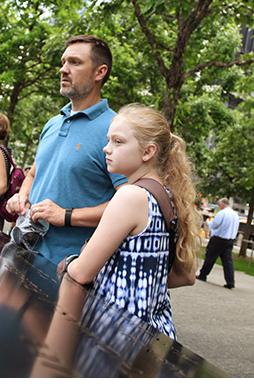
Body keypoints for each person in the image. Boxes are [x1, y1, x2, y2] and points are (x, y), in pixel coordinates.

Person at [60, 104, 201, 339]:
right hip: (155, 333)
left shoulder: (130, 196)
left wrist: (69, 262)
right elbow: (186, 276)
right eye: (108, 140)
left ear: (148, 152)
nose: (106, 148)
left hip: (115, 333)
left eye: (118, 142)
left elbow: (82, 273)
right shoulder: (169, 197)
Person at [6, 35, 127, 265]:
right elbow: (34, 173)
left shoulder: (117, 129)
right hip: (20, 251)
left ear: (100, 72)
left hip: (67, 270)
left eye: (75, 62)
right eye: (63, 62)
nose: (63, 69)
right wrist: (22, 196)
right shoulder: (53, 122)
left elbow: (129, 205)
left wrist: (66, 215)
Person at [196, 197, 240, 289]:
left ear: (223, 204)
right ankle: (230, 281)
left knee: (210, 257)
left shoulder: (222, 213)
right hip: (230, 240)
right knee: (227, 261)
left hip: (219, 238)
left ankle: (203, 274)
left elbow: (215, 224)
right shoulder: (235, 215)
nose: (219, 207)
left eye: (219, 205)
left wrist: (208, 223)